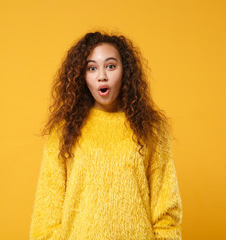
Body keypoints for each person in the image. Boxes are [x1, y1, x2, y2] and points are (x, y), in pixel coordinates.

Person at [29, 31, 183, 240]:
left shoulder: (151, 129)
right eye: (92, 68)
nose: (102, 75)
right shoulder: (64, 131)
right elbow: (47, 211)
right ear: (82, 76)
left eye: (110, 66)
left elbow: (166, 209)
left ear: (125, 71)